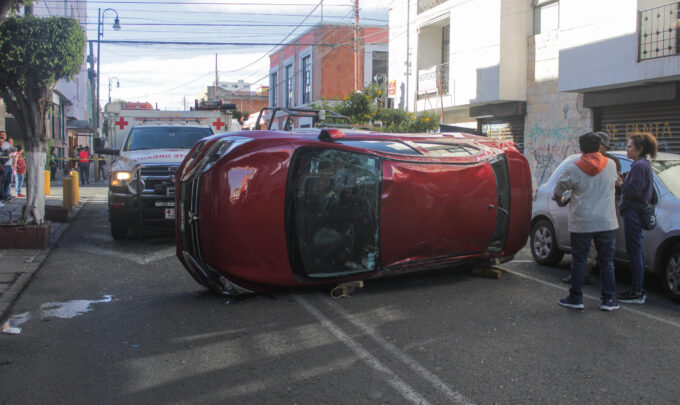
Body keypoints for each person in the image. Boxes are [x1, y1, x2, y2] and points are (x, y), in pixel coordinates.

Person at [554, 132, 620, 311]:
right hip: (607, 222)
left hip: (582, 222)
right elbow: (617, 182)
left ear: (580, 147)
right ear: (599, 147)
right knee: (607, 262)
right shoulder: (611, 165)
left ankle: (576, 297)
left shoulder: (574, 168)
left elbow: (559, 190)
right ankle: (609, 300)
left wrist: (559, 198)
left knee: (579, 261)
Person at [616, 132, 658, 304]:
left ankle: (637, 291)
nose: (627, 149)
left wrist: (621, 184)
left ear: (639, 149)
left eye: (630, 146)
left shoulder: (640, 166)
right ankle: (636, 289)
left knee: (635, 251)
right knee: (635, 251)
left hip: (634, 211)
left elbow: (634, 191)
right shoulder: (641, 165)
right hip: (633, 210)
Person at [1, 131, 16, 202]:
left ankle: (7, 194)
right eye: (2, 135)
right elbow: (5, 153)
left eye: (4, 135)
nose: (3, 136)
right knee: (3, 181)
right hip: (3, 165)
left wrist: (8, 151)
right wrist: (8, 151)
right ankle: (3, 196)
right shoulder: (2, 144)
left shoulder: (7, 144)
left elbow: (14, 150)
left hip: (9, 165)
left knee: (8, 181)